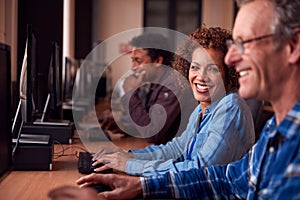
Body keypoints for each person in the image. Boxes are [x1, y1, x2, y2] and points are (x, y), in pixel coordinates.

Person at [48, 0, 300, 199]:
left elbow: (196, 165)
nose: (232, 58)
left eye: (245, 43)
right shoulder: (272, 133)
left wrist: (134, 169)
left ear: (293, 45)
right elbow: (221, 177)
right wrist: (136, 175)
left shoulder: (233, 108)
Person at [92, 25, 255, 176]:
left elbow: (199, 170)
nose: (201, 76)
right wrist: (128, 156)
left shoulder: (230, 107)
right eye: (195, 67)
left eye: (212, 68)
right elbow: (176, 149)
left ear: (229, 74)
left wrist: (131, 165)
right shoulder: (202, 108)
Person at [100, 32, 196, 145]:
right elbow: (146, 123)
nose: (133, 67)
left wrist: (130, 93)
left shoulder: (174, 83)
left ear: (157, 61)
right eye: (132, 60)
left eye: (138, 61)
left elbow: (152, 133)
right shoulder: (152, 83)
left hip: (179, 155)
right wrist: (123, 128)